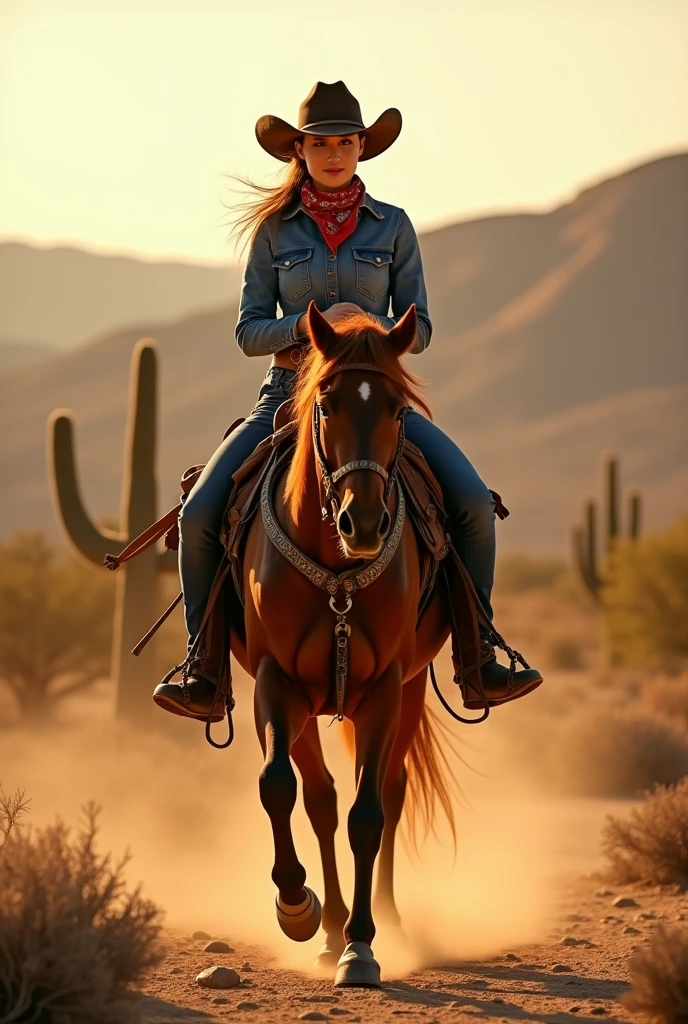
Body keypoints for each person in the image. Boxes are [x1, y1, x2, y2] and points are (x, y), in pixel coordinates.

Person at [153, 81, 542, 720]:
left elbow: (423, 328)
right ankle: (203, 667)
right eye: (320, 144)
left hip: (375, 403)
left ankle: (480, 660)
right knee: (198, 515)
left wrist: (366, 331)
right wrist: (312, 324)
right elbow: (249, 331)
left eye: (346, 142)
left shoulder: (393, 226)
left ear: (363, 147)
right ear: (299, 151)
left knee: (471, 500)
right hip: (287, 396)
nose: (334, 154)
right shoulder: (274, 232)